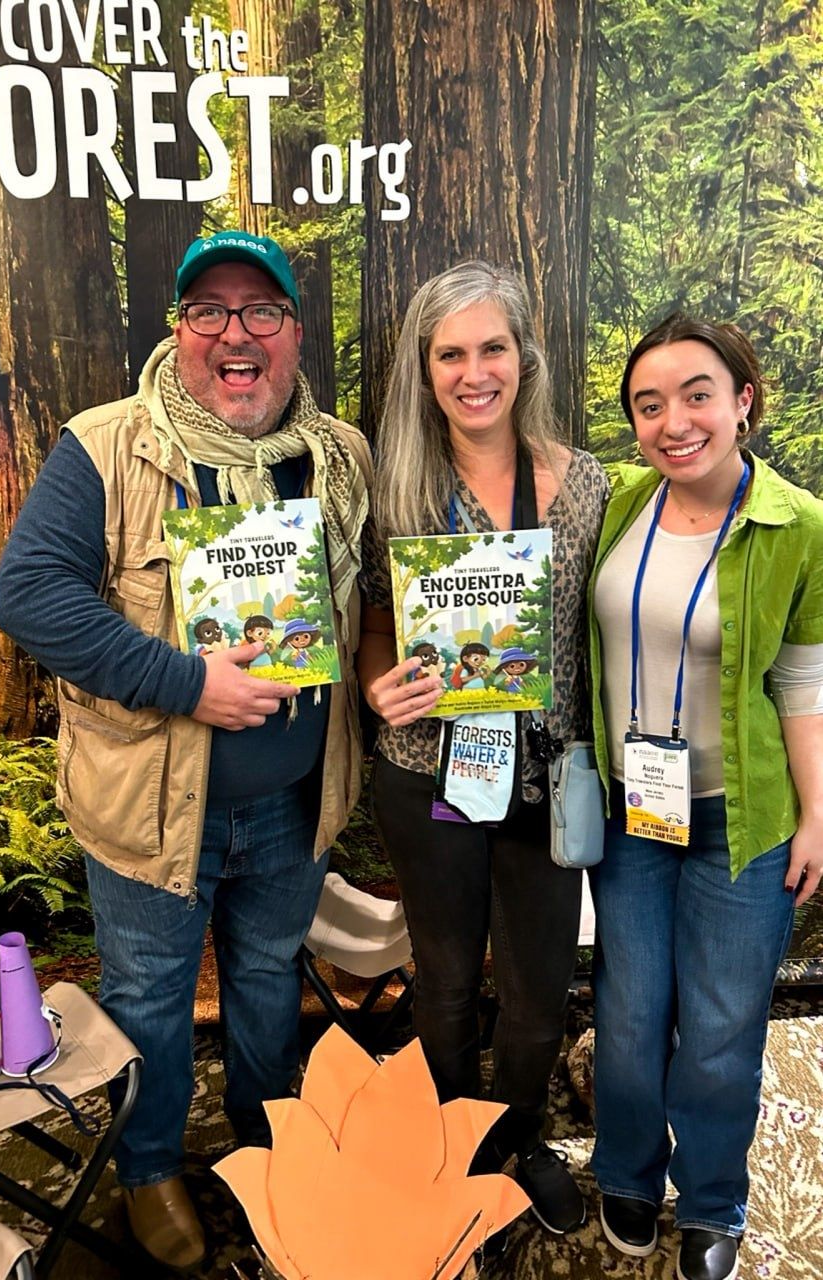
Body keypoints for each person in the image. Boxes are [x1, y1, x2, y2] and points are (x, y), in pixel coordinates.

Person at [0, 229, 372, 1270]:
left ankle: (269, 1144)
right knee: (152, 999)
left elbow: (368, 602)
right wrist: (189, 681)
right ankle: (150, 1164)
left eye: (260, 311)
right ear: (179, 329)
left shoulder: (339, 456)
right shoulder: (107, 445)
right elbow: (28, 596)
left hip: (292, 799)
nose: (234, 333)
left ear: (294, 334)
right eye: (209, 310)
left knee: (264, 977)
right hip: (151, 806)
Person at [357, 260, 608, 1234]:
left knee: (539, 979)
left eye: (490, 346)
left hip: (543, 773)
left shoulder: (580, 483)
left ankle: (522, 1132)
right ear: (425, 372)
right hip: (428, 769)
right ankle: (454, 1131)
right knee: (449, 974)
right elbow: (373, 620)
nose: (474, 371)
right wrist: (379, 678)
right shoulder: (399, 486)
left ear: (522, 356)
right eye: (450, 353)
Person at [587, 315, 823, 1280]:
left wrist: (817, 815)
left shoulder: (796, 526)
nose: (673, 420)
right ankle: (629, 1174)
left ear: (742, 402)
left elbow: (803, 681)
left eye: (695, 394)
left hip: (741, 814)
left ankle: (713, 1200)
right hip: (633, 812)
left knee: (722, 1025)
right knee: (632, 1012)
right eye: (649, 404)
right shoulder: (617, 505)